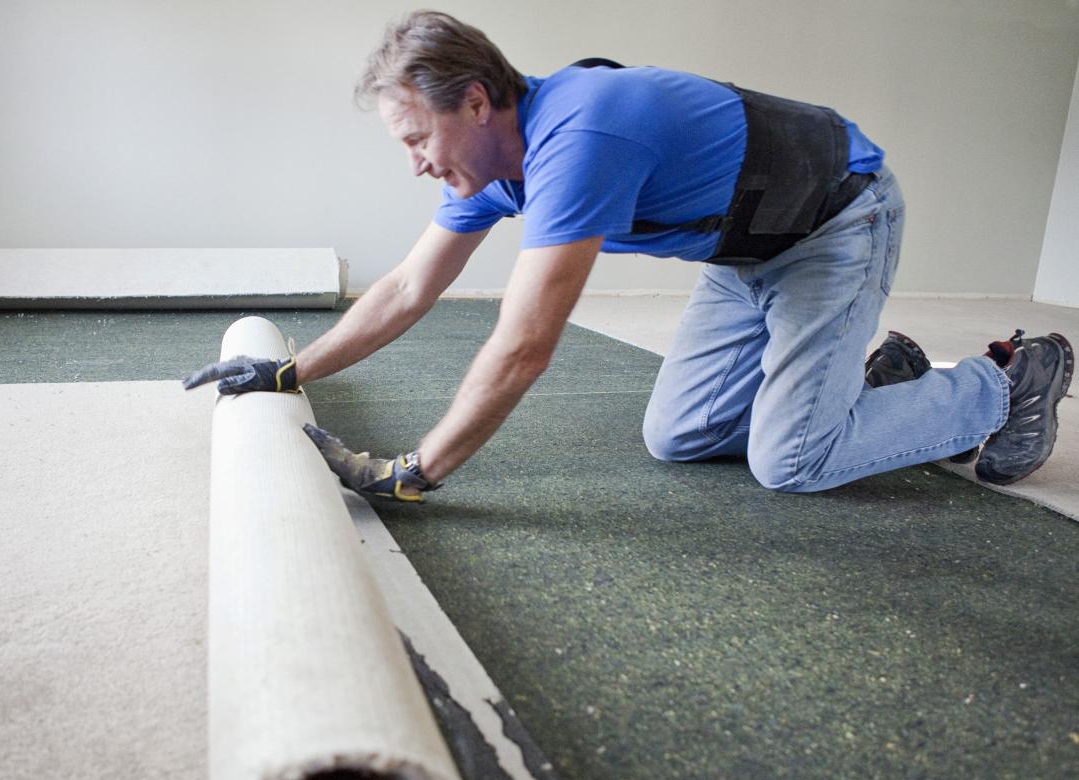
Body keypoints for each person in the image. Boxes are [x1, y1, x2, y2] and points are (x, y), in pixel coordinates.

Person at [184, 10, 1072, 502]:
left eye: (419, 138)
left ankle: (1005, 380)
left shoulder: (583, 137)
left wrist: (420, 470)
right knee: (677, 436)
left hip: (838, 223)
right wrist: (287, 374)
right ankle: (872, 386)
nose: (416, 161)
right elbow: (411, 286)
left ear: (479, 103)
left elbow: (525, 342)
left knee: (791, 462)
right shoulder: (495, 170)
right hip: (746, 250)